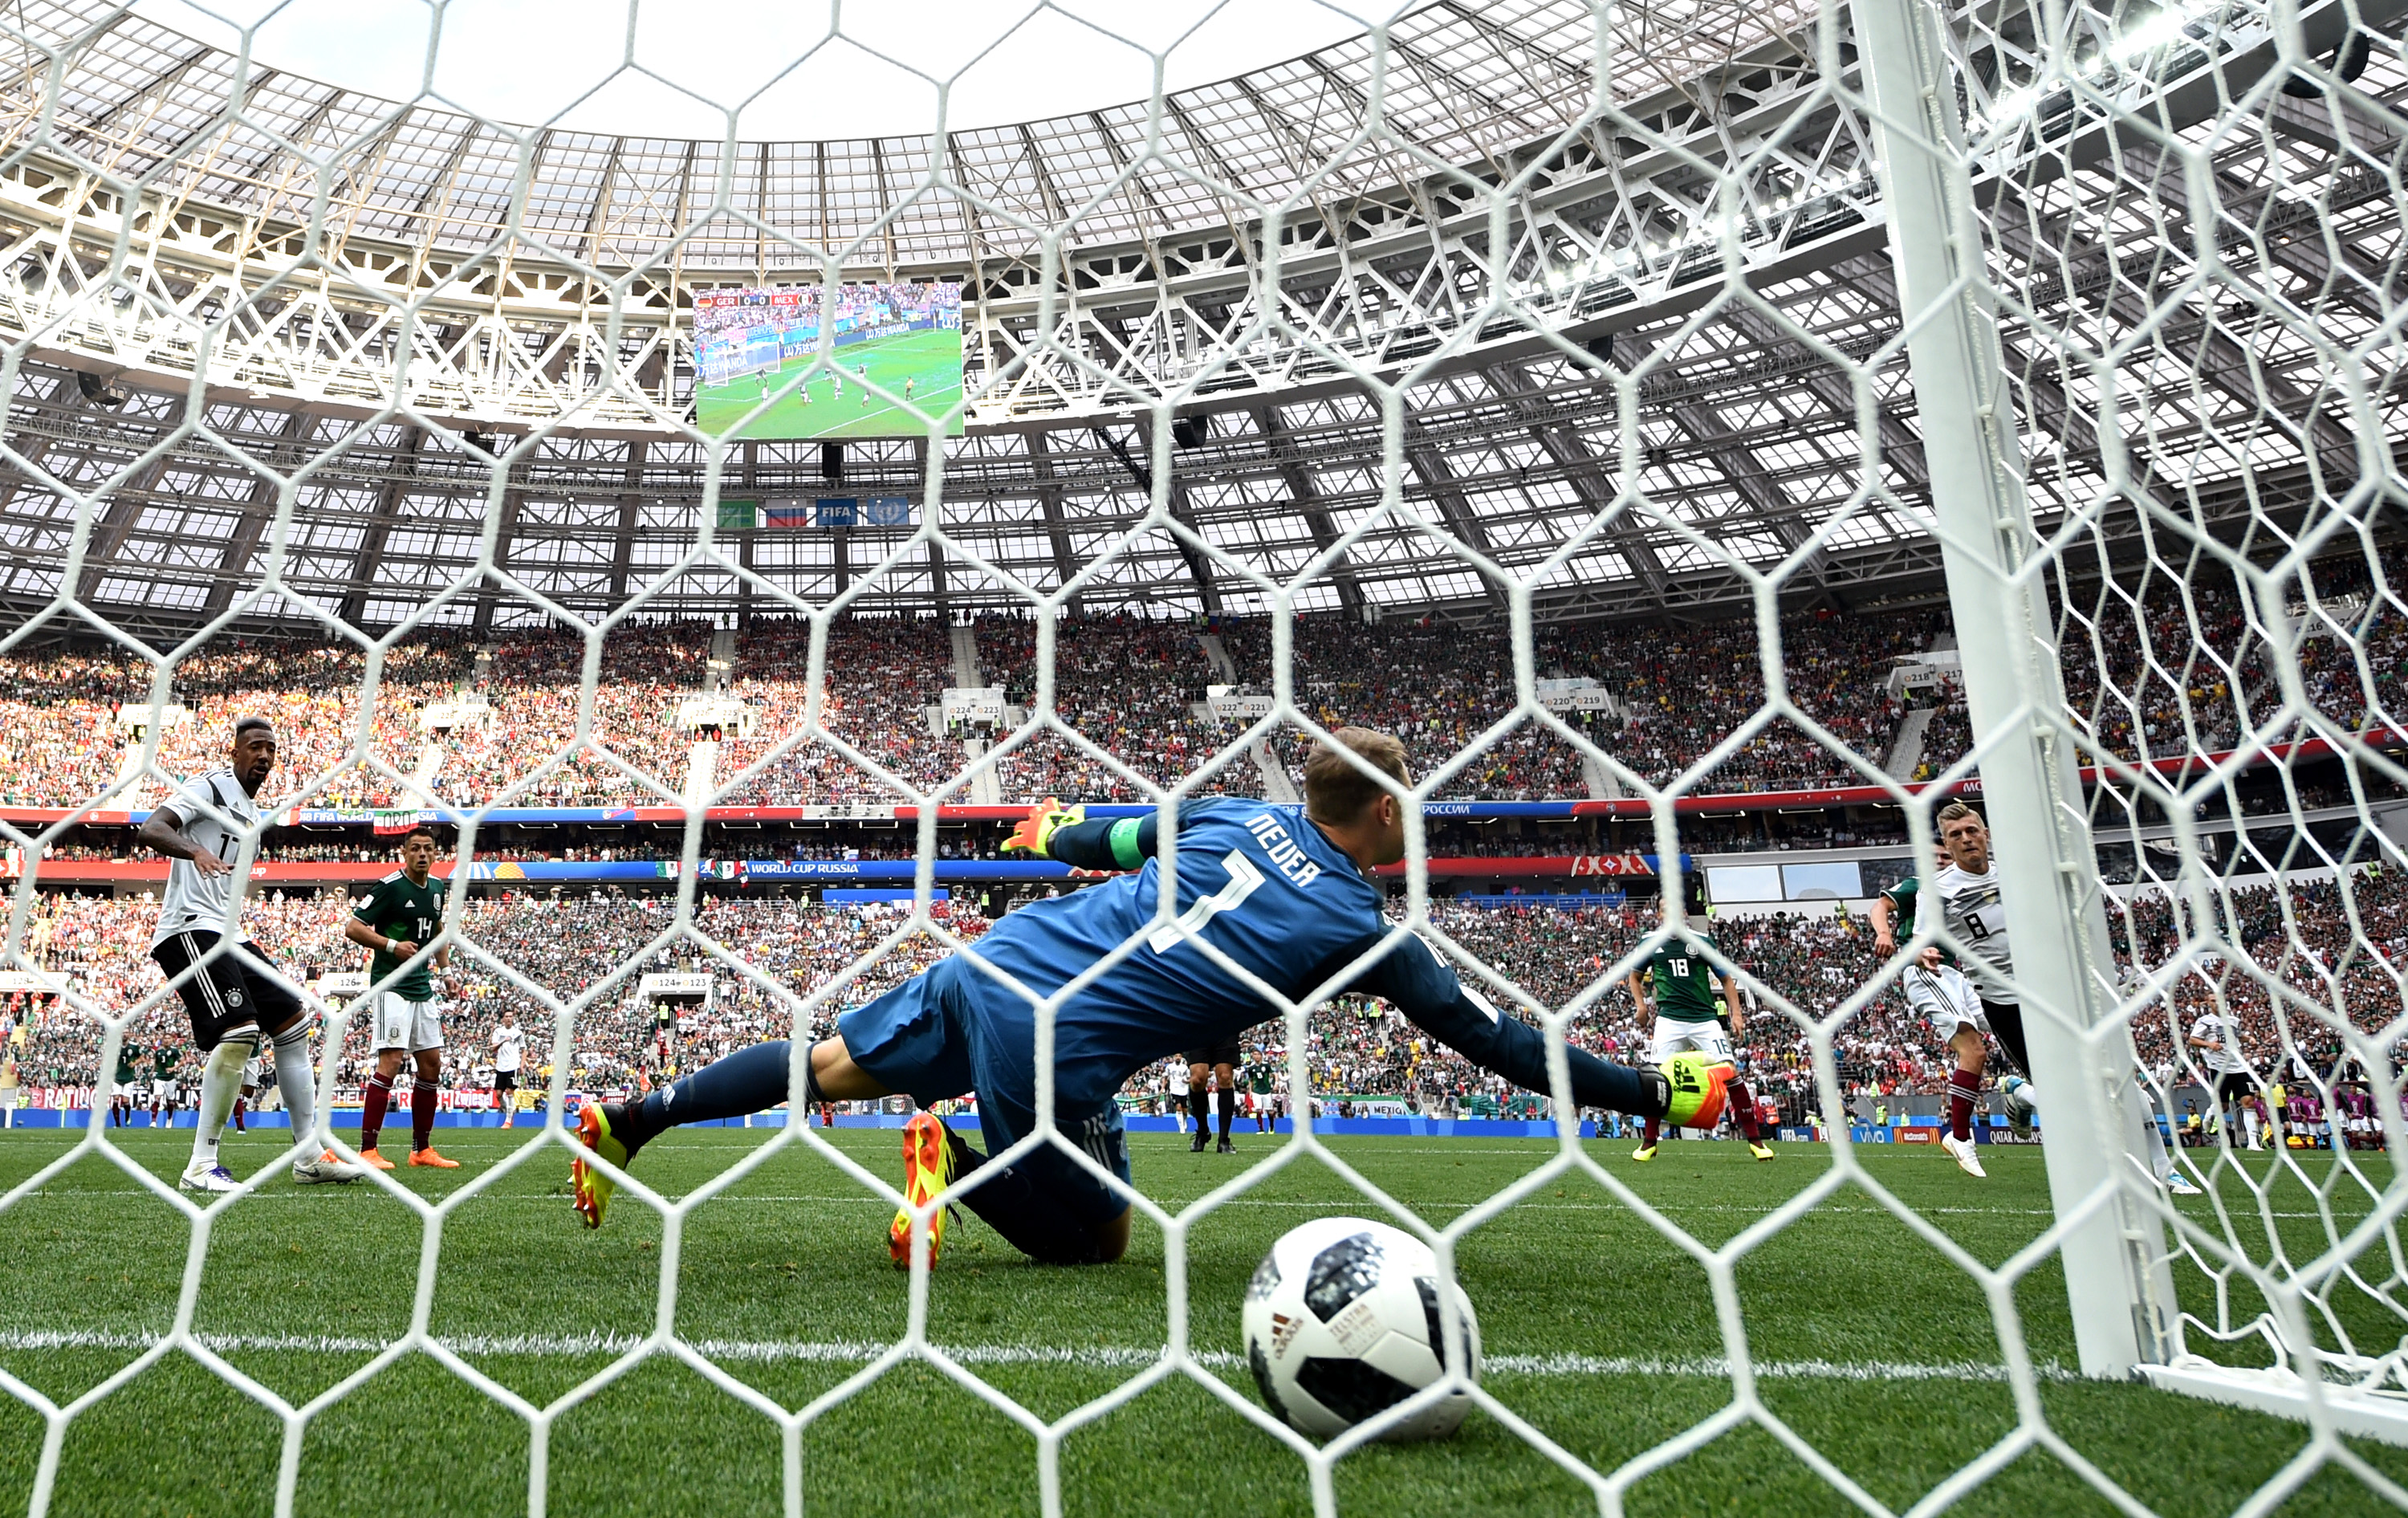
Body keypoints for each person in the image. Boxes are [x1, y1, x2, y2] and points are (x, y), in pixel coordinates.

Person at [570, 728, 1723, 1266]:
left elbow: (1103, 832)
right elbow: (1499, 1039)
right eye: (1405, 802)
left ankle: (637, 1115)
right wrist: (1650, 1093)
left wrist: (1045, 827)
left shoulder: (1236, 813)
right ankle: (953, 1154)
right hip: (1057, 1035)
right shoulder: (1360, 928)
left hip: (1001, 954)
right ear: (1378, 812)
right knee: (1105, 1245)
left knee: (823, 1064)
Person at [137, 717, 363, 1190]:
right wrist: (192, 851)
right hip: (188, 930)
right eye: (255, 747)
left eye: (270, 749)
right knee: (239, 1031)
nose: (263, 756)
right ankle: (200, 1164)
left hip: (229, 936)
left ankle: (308, 1156)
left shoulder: (251, 815)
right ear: (235, 752)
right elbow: (153, 828)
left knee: (293, 1021)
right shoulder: (209, 787)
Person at [1872, 804, 2028, 1181]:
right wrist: (1885, 934)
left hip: (1962, 974)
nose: (1949, 854)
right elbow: (1880, 907)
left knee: (2006, 1038)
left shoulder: (1986, 883)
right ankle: (1960, 1138)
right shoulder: (1921, 887)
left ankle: (2021, 1094)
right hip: (1925, 969)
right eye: (1945, 847)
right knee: (1973, 1050)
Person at [1624, 885, 1772, 1163]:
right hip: (1669, 1019)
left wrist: (1736, 1014)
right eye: (1666, 909)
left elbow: (1727, 980)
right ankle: (1649, 1142)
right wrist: (1641, 1005)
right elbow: (1634, 976)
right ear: (1658, 915)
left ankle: (1755, 1140)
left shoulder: (1703, 940)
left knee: (1730, 1073)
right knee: (1655, 1078)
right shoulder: (1649, 942)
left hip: (1705, 1019)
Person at [342, 826, 458, 1170]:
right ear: (405, 854)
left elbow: (437, 930)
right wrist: (391, 946)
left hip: (422, 986)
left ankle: (421, 1150)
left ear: (436, 854)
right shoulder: (390, 887)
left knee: (432, 1064)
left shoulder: (437, 888)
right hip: (390, 986)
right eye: (416, 849)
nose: (422, 854)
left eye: (428, 849)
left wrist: (447, 972)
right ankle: (368, 1150)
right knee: (391, 1063)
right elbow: (353, 927)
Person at [2187, 1005, 2260, 1151]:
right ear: (2208, 1003)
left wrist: (2250, 1039)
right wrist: (2209, 1044)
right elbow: (2193, 1040)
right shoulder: (2205, 1021)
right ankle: (2211, 1113)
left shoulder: (2234, 1021)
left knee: (2248, 1102)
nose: (2216, 1003)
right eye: (2212, 1001)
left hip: (2239, 1067)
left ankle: (2253, 1143)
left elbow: (2239, 1036)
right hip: (2218, 1067)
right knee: (2223, 1106)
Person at [1186, 1040, 1239, 1154]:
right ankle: (1203, 1131)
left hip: (1224, 1028)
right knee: (1197, 1080)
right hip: (1198, 1029)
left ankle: (1223, 1140)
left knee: (1225, 1077)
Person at [490, 1010, 525, 1129]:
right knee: (499, 1094)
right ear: (503, 1019)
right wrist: (503, 1041)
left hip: (513, 1066)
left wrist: (522, 1065)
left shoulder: (518, 1033)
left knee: (510, 1092)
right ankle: (509, 1111)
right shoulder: (498, 1032)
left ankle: (508, 1121)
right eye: (507, 1017)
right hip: (501, 1066)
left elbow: (524, 1049)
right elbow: (493, 1048)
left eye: (511, 1016)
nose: (509, 1018)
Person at [111, 1042, 141, 1128]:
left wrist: (134, 1064)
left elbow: (141, 1058)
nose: (125, 1034)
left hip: (128, 1078)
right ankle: (117, 1123)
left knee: (125, 1101)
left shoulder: (134, 1047)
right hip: (117, 1078)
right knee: (116, 1099)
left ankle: (127, 1116)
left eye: (127, 1033)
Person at [1166, 1056, 1190, 1133]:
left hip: (1184, 1091)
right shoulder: (1170, 1067)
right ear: (1174, 1058)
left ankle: (1184, 1120)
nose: (1178, 1057)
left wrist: (1186, 1082)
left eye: (1179, 1056)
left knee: (1185, 1110)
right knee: (1178, 1108)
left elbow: (1190, 1078)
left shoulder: (1185, 1068)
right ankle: (1181, 1128)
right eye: (1176, 1056)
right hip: (1174, 1090)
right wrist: (1162, 1089)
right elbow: (1165, 1078)